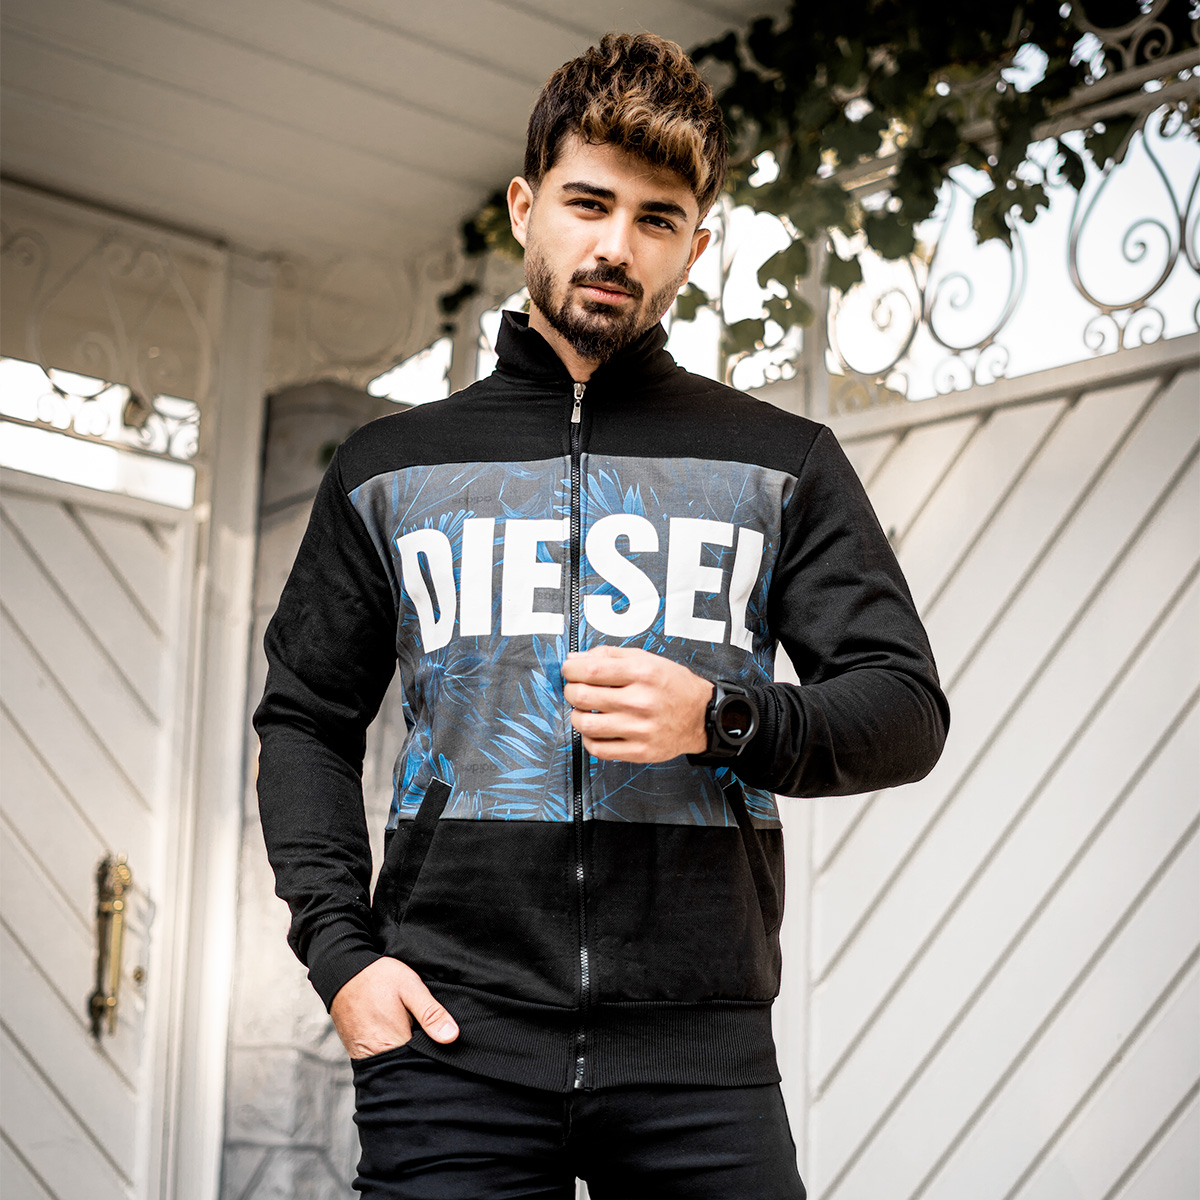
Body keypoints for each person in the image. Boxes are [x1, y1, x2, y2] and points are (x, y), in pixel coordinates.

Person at [255, 31, 949, 1200]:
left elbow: (904, 709)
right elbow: (305, 722)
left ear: (697, 246)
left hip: (700, 1057)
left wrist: (722, 718)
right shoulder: (391, 468)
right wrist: (342, 960)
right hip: (450, 1043)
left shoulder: (780, 463)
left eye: (657, 218)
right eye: (589, 203)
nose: (617, 246)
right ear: (526, 208)